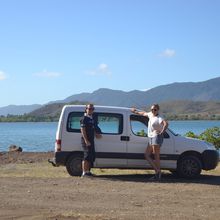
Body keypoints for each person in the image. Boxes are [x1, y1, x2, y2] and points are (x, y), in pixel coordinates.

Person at [131, 104, 168, 180]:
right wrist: (135, 111)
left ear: (158, 110)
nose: (153, 111)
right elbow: (143, 113)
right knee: (147, 155)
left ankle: (158, 174)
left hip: (156, 137)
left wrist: (162, 131)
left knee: (156, 155)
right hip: (150, 137)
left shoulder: (159, 118)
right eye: (152, 109)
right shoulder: (150, 114)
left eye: (155, 110)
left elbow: (166, 124)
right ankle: (158, 171)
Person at [80, 104, 102, 177]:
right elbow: (83, 130)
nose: (91, 110)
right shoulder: (84, 118)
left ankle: (88, 172)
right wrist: (86, 140)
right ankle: (84, 173)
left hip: (91, 140)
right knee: (86, 156)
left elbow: (92, 128)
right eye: (89, 108)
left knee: (90, 156)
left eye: (92, 109)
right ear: (86, 109)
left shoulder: (91, 118)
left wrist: (96, 134)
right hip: (86, 140)